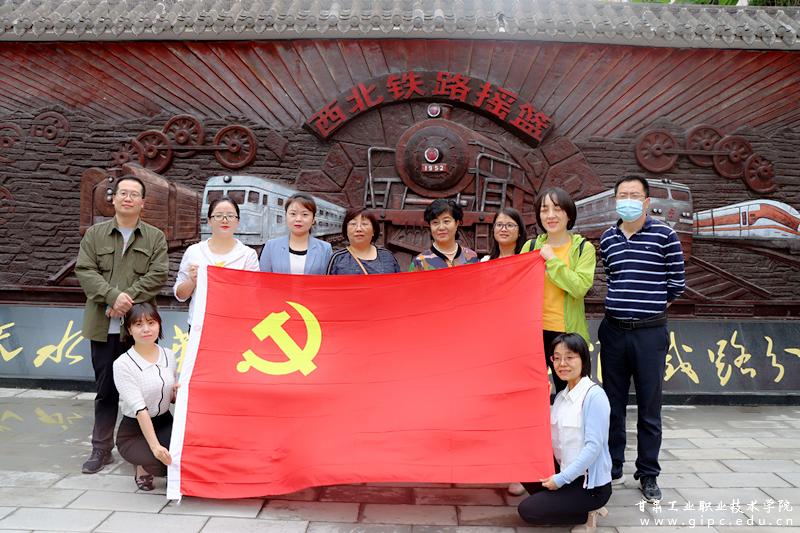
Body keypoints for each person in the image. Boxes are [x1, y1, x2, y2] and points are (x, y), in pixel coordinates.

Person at [598, 174, 685, 503]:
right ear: (615, 200)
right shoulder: (608, 238)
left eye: (634, 195)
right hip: (614, 331)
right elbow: (612, 276)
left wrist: (649, 309)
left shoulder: (665, 235)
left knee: (650, 406)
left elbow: (676, 283)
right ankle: (613, 464)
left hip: (650, 333)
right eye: (623, 195)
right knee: (613, 404)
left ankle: (648, 473)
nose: (628, 200)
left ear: (647, 201)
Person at [75, 175, 169, 474]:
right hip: (103, 328)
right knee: (106, 391)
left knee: (147, 391)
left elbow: (158, 274)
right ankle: (101, 449)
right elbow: (85, 270)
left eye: (134, 194)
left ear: (143, 202)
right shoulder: (95, 234)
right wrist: (112, 296)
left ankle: (144, 449)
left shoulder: (155, 237)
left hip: (140, 331)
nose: (128, 198)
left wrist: (125, 301)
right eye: (123, 193)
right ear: (113, 198)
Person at [517, 333, 612, 532]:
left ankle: (588, 512)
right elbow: (545, 434)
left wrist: (560, 480)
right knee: (523, 464)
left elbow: (593, 447)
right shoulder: (561, 396)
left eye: (569, 357)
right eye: (557, 358)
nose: (562, 364)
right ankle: (561, 502)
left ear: (583, 359)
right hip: (564, 471)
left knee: (528, 511)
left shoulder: (594, 396)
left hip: (589, 486)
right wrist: (541, 399)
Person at [520, 188, 596, 396]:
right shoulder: (531, 246)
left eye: (557, 209)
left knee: (571, 395)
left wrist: (552, 260)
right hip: (534, 334)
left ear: (569, 214)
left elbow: (579, 287)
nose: (550, 215)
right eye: (544, 210)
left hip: (567, 334)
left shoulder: (583, 248)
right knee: (533, 394)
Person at [113, 303, 178, 491]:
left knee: (182, 455)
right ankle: (142, 467)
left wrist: (178, 393)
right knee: (157, 461)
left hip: (165, 422)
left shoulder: (169, 355)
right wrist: (156, 447)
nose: (146, 329)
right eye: (138, 324)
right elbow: (140, 410)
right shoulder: (123, 364)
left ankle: (164, 465)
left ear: (159, 325)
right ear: (129, 330)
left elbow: (171, 397)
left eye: (151, 323)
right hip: (134, 430)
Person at [174, 196, 259, 326]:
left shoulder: (247, 255)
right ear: (209, 220)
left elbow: (254, 296)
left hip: (235, 324)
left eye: (230, 216)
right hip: (200, 325)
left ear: (237, 221)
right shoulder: (194, 251)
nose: (225, 220)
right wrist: (192, 281)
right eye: (218, 216)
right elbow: (180, 295)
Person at [259, 193, 332, 274]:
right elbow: (263, 278)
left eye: (305, 214)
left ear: (313, 219)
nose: (298, 219)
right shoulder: (271, 246)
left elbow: (328, 279)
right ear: (286, 216)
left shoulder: (325, 249)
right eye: (293, 214)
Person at [409, 199, 479, 271]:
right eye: (435, 222)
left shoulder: (472, 257)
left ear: (457, 223)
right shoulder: (420, 262)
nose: (441, 227)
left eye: (446, 221)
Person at [326, 208, 400, 275]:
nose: (359, 229)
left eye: (364, 224)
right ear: (346, 231)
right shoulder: (338, 258)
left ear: (373, 230)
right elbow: (328, 285)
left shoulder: (387, 256)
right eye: (353, 224)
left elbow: (399, 283)